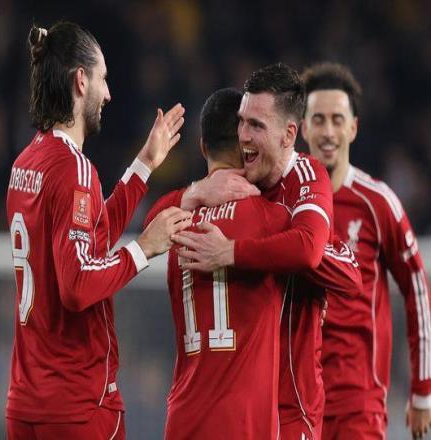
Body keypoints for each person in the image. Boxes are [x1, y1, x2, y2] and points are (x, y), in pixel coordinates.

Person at [4, 21, 193, 440]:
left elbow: (89, 238)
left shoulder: (25, 163)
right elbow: (76, 285)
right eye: (103, 79)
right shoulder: (73, 169)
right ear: (81, 80)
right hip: (78, 405)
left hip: (26, 404)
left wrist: (144, 164)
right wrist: (143, 249)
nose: (108, 94)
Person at [152, 76, 361, 439]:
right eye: (242, 125)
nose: (246, 136)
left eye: (255, 125)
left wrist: (231, 249)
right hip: (251, 414)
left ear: (288, 135)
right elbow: (338, 266)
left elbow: (322, 258)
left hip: (272, 406)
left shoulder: (301, 181)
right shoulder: (262, 213)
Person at [301, 62, 431, 440]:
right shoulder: (285, 202)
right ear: (303, 127)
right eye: (319, 120)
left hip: (358, 402)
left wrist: (422, 390)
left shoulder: (377, 202)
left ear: (353, 127)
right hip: (296, 400)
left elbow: (417, 291)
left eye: (337, 120)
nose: (328, 131)